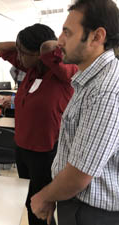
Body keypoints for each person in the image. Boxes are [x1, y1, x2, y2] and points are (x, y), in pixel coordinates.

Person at [31, 1, 119, 225]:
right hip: (75, 201)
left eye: (67, 32)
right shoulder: (90, 82)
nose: (59, 40)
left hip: (92, 213)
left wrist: (44, 196)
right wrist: (56, 193)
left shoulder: (105, 90)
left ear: (97, 37)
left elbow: (80, 173)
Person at [1, 24, 78, 225]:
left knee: (43, 207)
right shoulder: (31, 70)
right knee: (29, 202)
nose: (18, 56)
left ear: (39, 54)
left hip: (45, 152)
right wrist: (23, 47)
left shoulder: (64, 73)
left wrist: (45, 48)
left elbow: (49, 49)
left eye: (22, 52)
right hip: (22, 148)